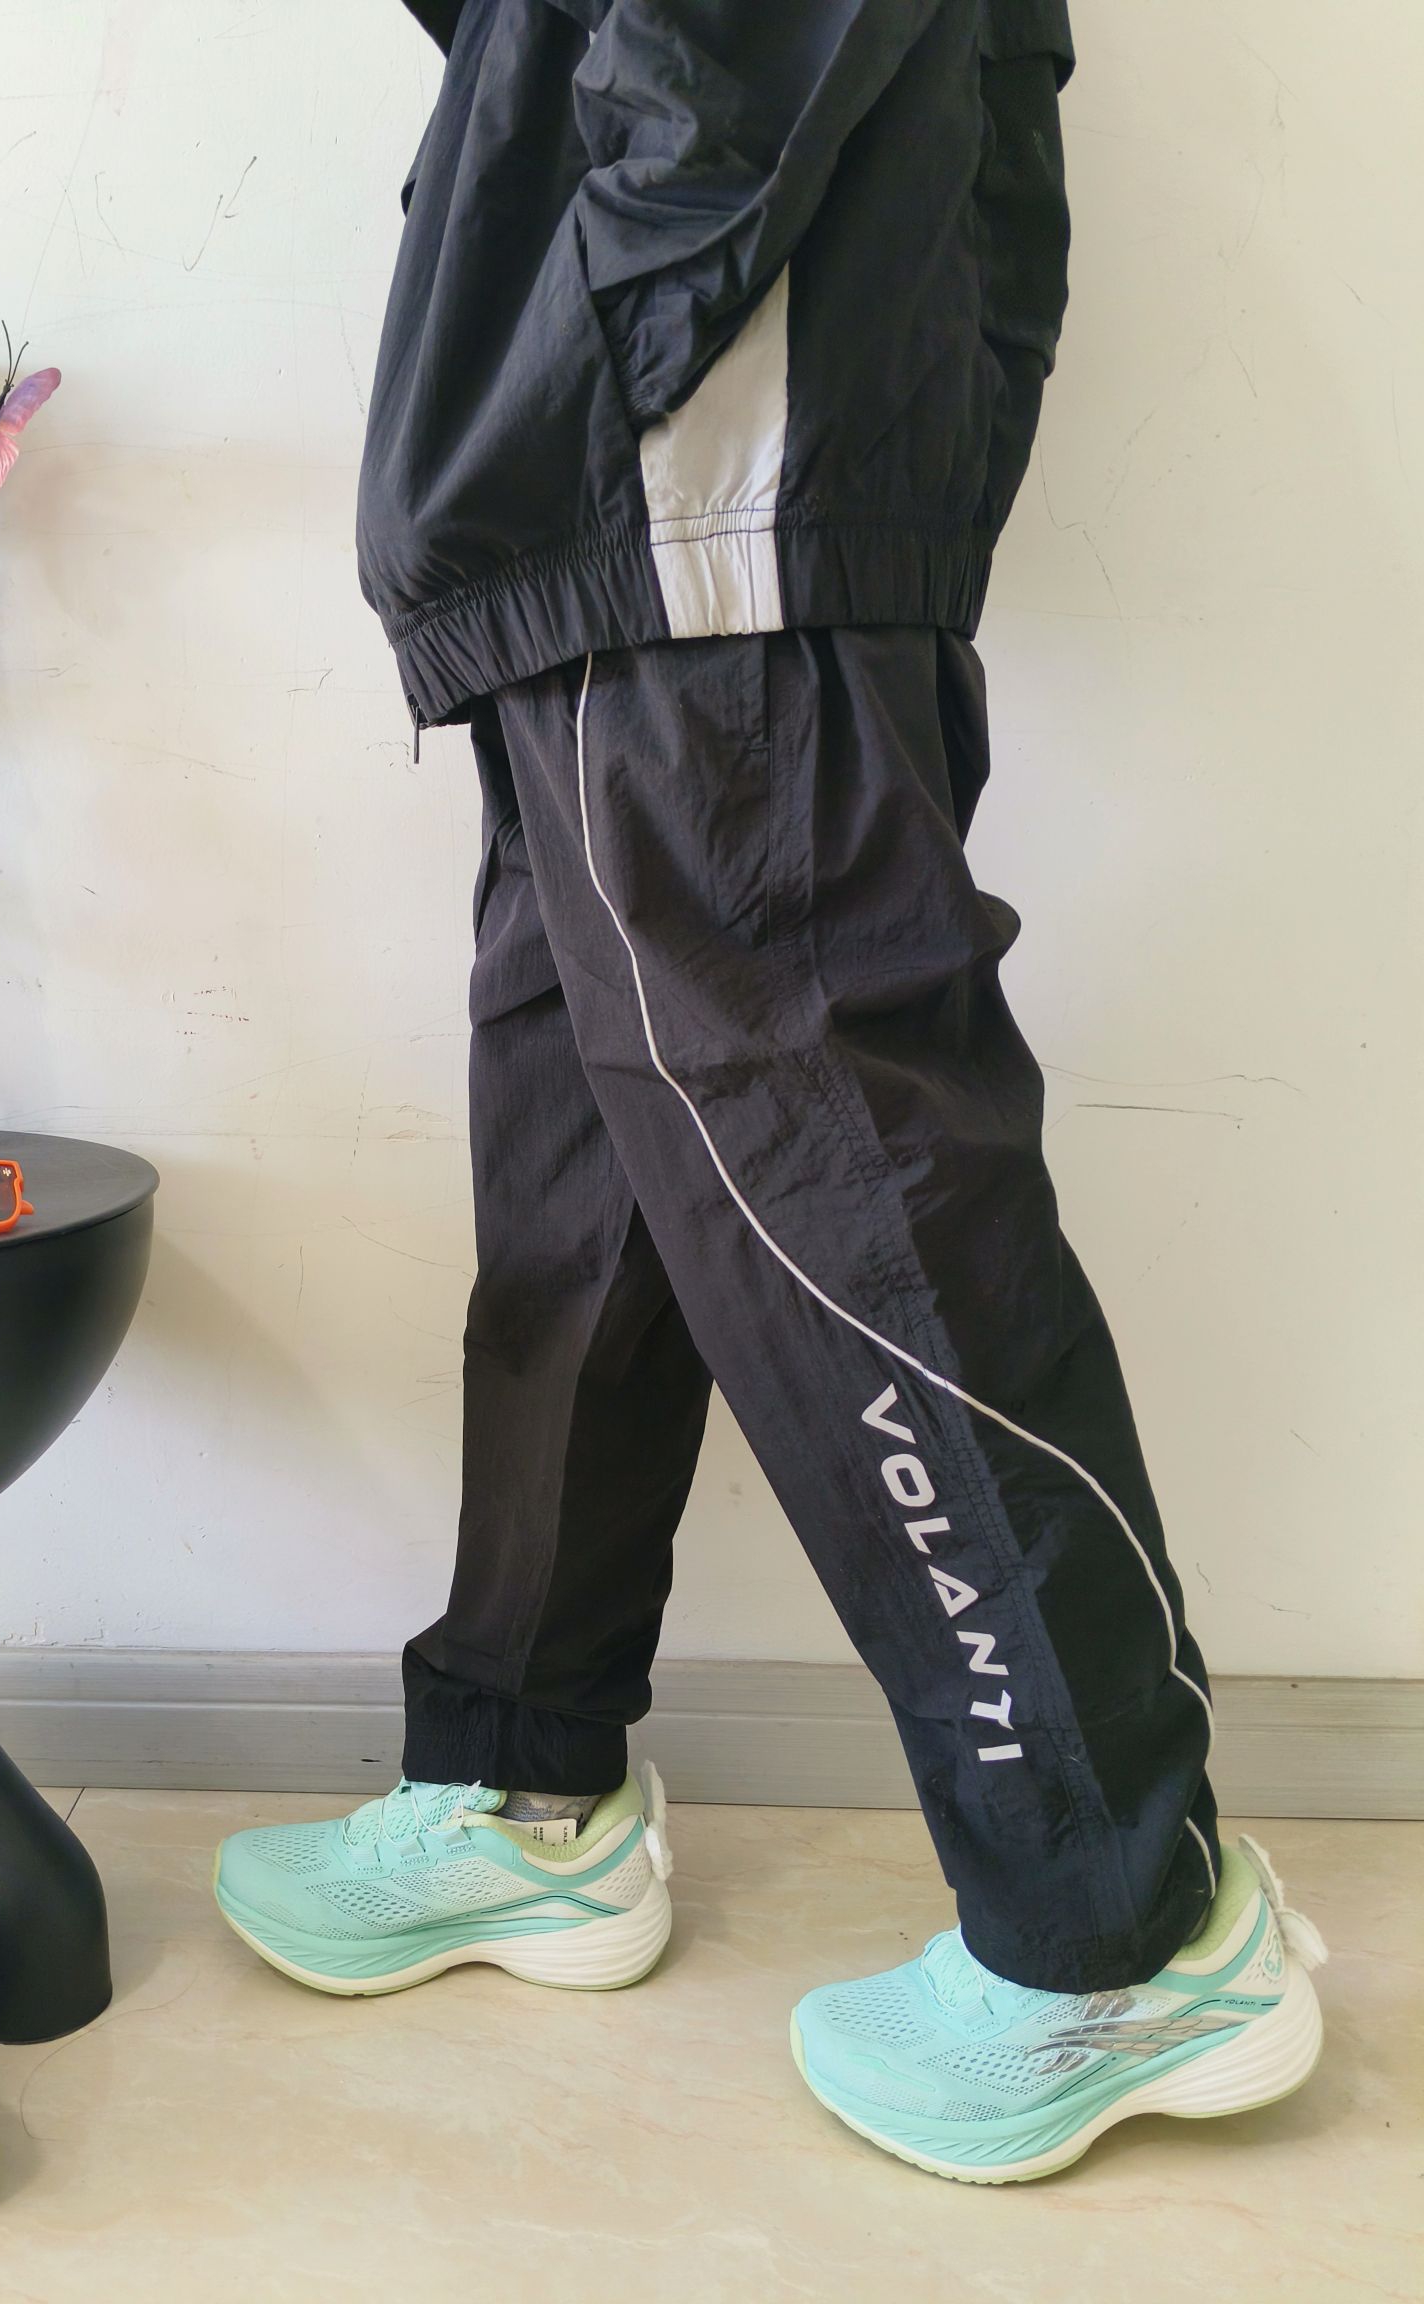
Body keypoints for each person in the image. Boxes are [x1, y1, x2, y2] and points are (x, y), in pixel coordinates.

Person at [215, 0, 1327, 2179]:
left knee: (841, 1184)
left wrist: (591, 362)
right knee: (586, 1191)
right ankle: (528, 1782)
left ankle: (1126, 1924)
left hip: (688, 482)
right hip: (606, 502)